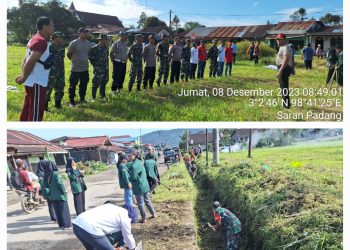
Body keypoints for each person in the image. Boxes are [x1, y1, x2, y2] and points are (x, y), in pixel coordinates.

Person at [16, 16, 55, 121]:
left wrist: (24, 75)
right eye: (52, 25)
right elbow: (30, 61)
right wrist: (24, 77)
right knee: (35, 114)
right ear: (44, 26)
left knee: (28, 109)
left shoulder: (34, 38)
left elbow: (25, 59)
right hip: (37, 83)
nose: (53, 28)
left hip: (32, 81)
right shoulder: (41, 41)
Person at [67, 27, 94, 107]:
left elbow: (90, 53)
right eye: (83, 32)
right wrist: (74, 61)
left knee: (84, 84)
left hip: (85, 68)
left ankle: (82, 98)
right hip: (75, 68)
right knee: (73, 85)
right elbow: (69, 54)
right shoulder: (74, 43)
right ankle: (71, 101)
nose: (85, 33)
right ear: (79, 33)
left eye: (86, 32)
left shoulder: (89, 43)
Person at [128, 150, 156, 223]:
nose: (129, 156)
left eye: (130, 155)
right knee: (147, 201)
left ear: (134, 156)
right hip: (145, 185)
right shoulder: (140, 162)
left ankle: (144, 218)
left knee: (140, 203)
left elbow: (133, 178)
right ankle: (153, 214)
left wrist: (128, 178)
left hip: (138, 187)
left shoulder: (134, 166)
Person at [43, 161, 72, 230]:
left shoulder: (46, 175)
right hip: (60, 195)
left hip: (53, 196)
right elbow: (60, 183)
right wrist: (64, 191)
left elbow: (45, 186)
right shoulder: (56, 173)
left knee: (57, 211)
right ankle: (67, 225)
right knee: (64, 210)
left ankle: (61, 225)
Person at [46, 31, 65, 110]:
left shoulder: (62, 47)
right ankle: (44, 106)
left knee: (60, 87)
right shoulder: (49, 47)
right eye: (60, 37)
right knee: (48, 88)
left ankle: (58, 104)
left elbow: (62, 58)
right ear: (54, 38)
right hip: (51, 72)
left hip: (60, 71)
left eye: (61, 37)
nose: (61, 39)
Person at [88, 33, 109, 101]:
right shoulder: (94, 48)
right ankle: (93, 98)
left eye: (106, 39)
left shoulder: (106, 48)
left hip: (105, 68)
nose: (105, 41)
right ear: (100, 40)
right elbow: (90, 57)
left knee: (104, 82)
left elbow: (107, 57)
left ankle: (102, 96)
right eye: (103, 39)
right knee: (96, 83)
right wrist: (95, 65)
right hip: (98, 69)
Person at [275, 33, 293, 109]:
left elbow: (286, 59)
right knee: (283, 86)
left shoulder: (285, 47)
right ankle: (287, 103)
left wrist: (280, 70)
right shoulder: (282, 47)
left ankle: (286, 105)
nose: (278, 41)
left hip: (284, 68)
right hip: (284, 68)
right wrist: (293, 68)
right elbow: (291, 58)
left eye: (280, 39)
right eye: (277, 39)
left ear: (284, 39)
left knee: (284, 86)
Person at [110, 31, 128, 95]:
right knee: (116, 77)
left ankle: (120, 89)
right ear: (120, 36)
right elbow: (111, 53)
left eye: (126, 35)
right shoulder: (116, 43)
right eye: (124, 35)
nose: (126, 37)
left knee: (122, 76)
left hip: (124, 63)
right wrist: (113, 61)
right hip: (117, 62)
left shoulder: (125, 43)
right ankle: (114, 90)